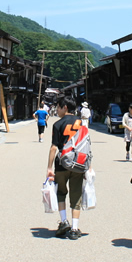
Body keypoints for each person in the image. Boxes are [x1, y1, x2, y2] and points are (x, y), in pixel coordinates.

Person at [45, 95, 86, 240]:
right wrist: (89, 167)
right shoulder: (81, 123)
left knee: (61, 192)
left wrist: (49, 167)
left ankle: (63, 222)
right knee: (76, 195)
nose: (57, 110)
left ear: (65, 108)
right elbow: (86, 146)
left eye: (58, 107)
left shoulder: (57, 125)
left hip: (61, 163)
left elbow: (53, 148)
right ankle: (75, 229)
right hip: (78, 164)